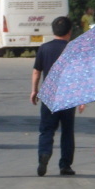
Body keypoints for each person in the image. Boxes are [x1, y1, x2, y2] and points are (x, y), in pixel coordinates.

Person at [30, 16, 81, 176]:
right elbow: (79, 74)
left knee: (46, 129)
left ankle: (44, 154)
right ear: (70, 31)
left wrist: (34, 90)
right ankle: (65, 165)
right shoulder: (74, 48)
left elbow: (37, 71)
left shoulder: (44, 48)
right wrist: (81, 98)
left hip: (49, 94)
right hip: (68, 95)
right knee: (67, 131)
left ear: (53, 31)